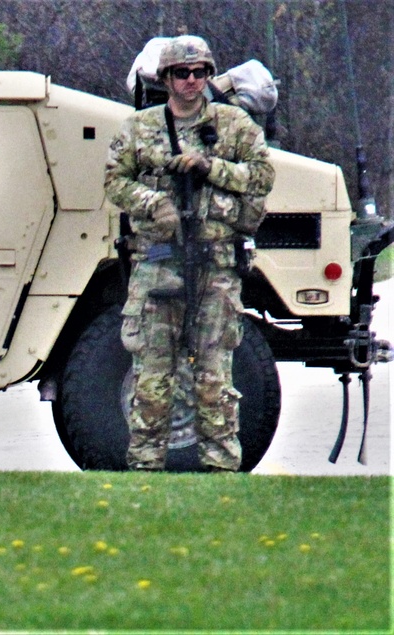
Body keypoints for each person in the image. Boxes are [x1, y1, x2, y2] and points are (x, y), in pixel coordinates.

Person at [104, 35, 275, 471]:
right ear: (166, 78)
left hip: (216, 265)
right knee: (153, 376)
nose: (192, 81)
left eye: (200, 72)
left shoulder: (234, 125)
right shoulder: (140, 127)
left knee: (214, 375)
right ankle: (145, 468)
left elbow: (261, 176)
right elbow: (115, 181)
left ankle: (221, 469)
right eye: (182, 73)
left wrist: (209, 167)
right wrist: (153, 204)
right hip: (159, 263)